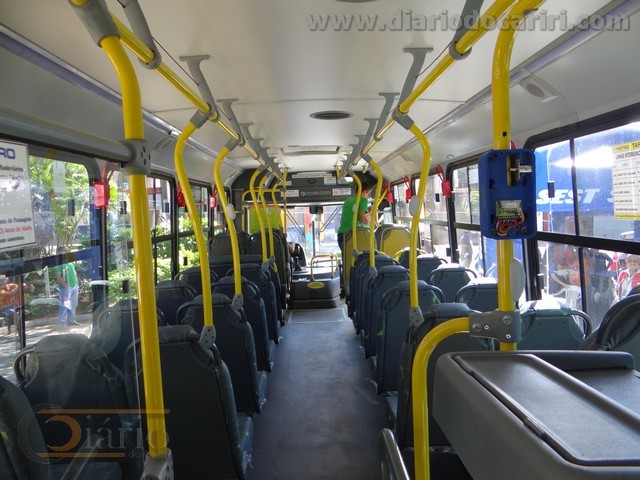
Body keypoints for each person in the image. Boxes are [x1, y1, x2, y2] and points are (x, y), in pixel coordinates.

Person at [337, 184, 372, 258]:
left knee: (347, 260)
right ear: (364, 192)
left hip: (342, 235)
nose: (368, 196)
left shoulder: (347, 201)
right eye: (368, 194)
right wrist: (369, 223)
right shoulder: (363, 200)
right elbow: (361, 217)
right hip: (353, 235)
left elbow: (353, 213)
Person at [55, 248, 79, 326]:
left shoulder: (69, 261)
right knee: (65, 304)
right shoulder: (58, 263)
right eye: (63, 252)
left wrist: (77, 282)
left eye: (66, 252)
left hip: (74, 286)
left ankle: (71, 320)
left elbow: (74, 271)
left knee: (73, 304)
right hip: (66, 288)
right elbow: (58, 276)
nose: (65, 253)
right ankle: (62, 323)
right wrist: (65, 285)